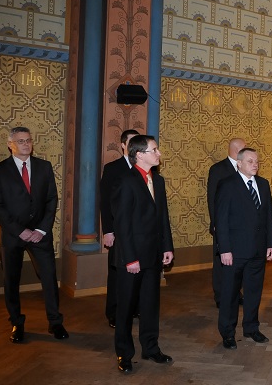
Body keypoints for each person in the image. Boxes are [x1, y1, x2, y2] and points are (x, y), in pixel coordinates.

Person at [0, 126, 68, 343]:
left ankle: (55, 322)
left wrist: (41, 230)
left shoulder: (44, 167)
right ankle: (17, 322)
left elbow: (51, 199)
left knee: (49, 277)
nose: (26, 144)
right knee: (11, 280)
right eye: (21, 141)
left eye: (29, 140)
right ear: (10, 145)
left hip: (40, 234)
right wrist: (19, 230)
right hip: (12, 235)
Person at [111, 135, 174, 373]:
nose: (159, 154)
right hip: (132, 257)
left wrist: (167, 247)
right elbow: (122, 224)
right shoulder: (125, 181)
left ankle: (150, 348)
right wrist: (130, 258)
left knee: (150, 305)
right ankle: (124, 354)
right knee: (126, 307)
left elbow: (163, 218)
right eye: (154, 150)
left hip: (153, 255)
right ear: (139, 154)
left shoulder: (158, 181)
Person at [215, 148, 272, 349]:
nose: (255, 164)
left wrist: (271, 243)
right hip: (234, 251)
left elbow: (268, 217)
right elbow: (221, 219)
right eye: (250, 161)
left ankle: (251, 328)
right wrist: (224, 249)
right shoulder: (227, 184)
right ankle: (228, 332)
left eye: (257, 161)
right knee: (230, 294)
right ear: (239, 163)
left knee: (254, 292)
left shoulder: (263, 184)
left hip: (258, 250)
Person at [100, 129, 140, 328]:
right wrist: (108, 231)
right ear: (123, 145)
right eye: (131, 142)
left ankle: (134, 307)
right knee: (117, 272)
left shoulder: (144, 168)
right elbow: (105, 202)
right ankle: (114, 312)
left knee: (138, 271)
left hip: (139, 232)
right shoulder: (112, 169)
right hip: (118, 230)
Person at [207, 138, 246, 307]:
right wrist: (216, 222)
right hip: (223, 224)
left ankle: (236, 292)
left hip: (241, 226)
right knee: (220, 262)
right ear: (236, 150)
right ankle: (221, 295)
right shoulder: (218, 169)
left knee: (238, 261)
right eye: (244, 148)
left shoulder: (245, 168)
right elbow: (212, 198)